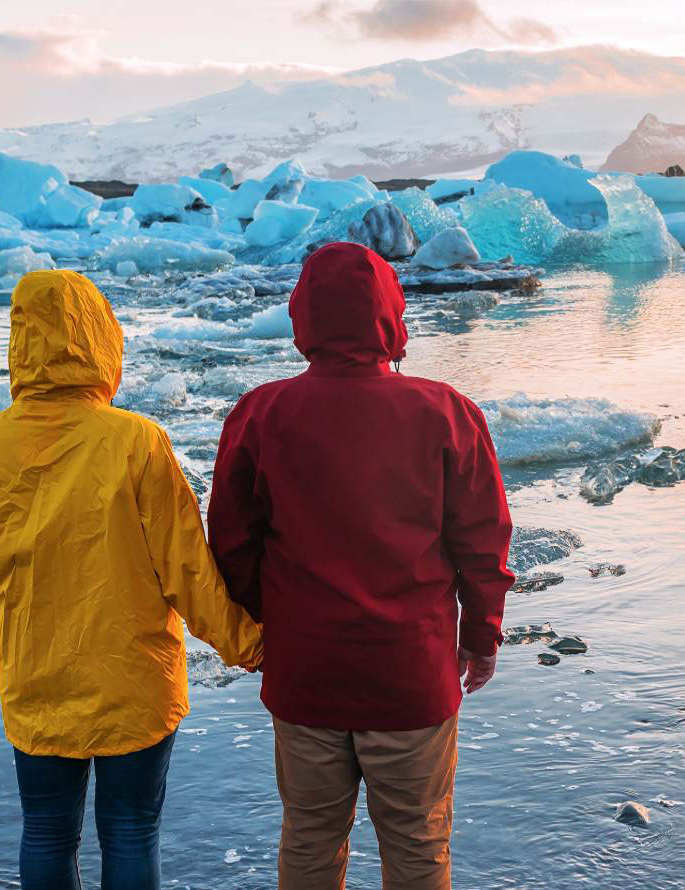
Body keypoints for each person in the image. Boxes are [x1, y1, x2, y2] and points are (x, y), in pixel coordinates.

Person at [208, 242, 515, 890]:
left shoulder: (261, 414)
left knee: (311, 842)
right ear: (391, 315)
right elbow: (482, 547)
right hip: (411, 676)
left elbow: (232, 545)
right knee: (417, 847)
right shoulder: (447, 413)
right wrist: (480, 640)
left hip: (306, 676)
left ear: (303, 317)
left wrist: (275, 628)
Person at [0, 269, 264, 890]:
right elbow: (186, 569)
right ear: (101, 338)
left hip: (36, 669)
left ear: (19, 340)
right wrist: (249, 643)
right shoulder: (136, 441)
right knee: (129, 829)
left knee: (45, 830)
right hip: (131, 678)